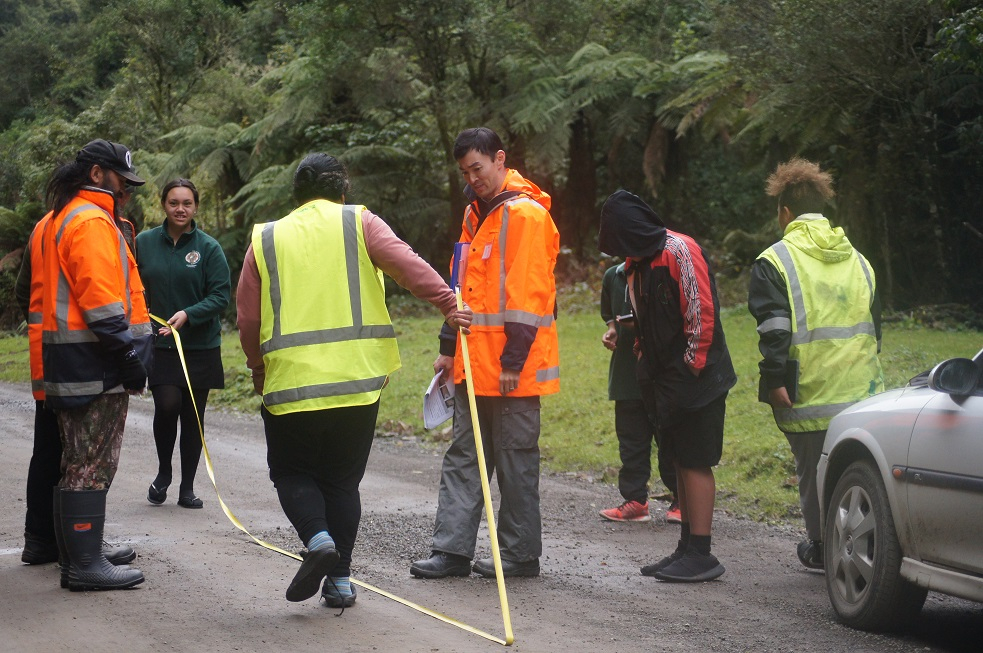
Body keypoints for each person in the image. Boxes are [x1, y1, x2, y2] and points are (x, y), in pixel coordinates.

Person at [237, 153, 472, 607]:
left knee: (291, 471)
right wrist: (447, 302)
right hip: (358, 380)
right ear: (342, 191)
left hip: (291, 384)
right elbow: (407, 264)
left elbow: (248, 318)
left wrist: (257, 368)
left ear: (297, 196)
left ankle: (318, 539)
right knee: (342, 482)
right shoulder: (359, 222)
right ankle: (340, 580)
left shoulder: (265, 238)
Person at [410, 127, 560, 580]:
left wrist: (513, 361)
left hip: (513, 367)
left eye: (477, 168)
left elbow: (529, 296)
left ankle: (518, 556)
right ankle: (451, 552)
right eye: (464, 172)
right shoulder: (476, 216)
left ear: (499, 159)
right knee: (464, 456)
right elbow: (461, 288)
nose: (472, 178)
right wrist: (446, 347)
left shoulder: (527, 216)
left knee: (515, 462)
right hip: (473, 364)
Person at [748, 158, 884, 570]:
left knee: (813, 472)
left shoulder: (775, 261)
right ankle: (864, 546)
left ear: (784, 211)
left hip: (806, 391)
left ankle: (822, 546)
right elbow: (875, 328)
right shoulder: (859, 259)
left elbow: (774, 331)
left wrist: (774, 380)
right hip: (862, 392)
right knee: (859, 475)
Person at [598, 189, 736, 583]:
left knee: (695, 460)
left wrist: (688, 372)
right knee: (677, 459)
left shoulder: (679, 250)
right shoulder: (634, 265)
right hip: (663, 378)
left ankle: (703, 553)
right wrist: (647, 366)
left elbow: (702, 315)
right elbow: (640, 326)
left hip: (698, 378)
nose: (621, 252)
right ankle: (686, 547)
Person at [39, 138, 153, 591]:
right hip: (93, 361)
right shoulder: (89, 221)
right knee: (91, 463)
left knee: (77, 460)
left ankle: (80, 552)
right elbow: (102, 301)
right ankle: (83, 565)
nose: (126, 188)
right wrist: (128, 357)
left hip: (76, 358)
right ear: (96, 175)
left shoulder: (66, 216)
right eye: (120, 178)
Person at [137, 178, 231, 509]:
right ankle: (164, 472)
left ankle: (187, 488)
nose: (180, 209)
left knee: (193, 414)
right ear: (163, 204)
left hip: (200, 345)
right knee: (166, 404)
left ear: (196, 207)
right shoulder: (143, 243)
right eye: (174, 202)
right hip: (160, 345)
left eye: (187, 203)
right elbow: (132, 288)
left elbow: (221, 296)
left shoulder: (208, 248)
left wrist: (189, 314)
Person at [598, 261, 679, 523]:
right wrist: (612, 329)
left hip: (662, 374)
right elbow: (609, 314)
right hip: (626, 376)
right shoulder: (613, 275)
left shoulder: (662, 272)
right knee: (631, 442)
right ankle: (635, 501)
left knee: (670, 441)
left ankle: (683, 501)